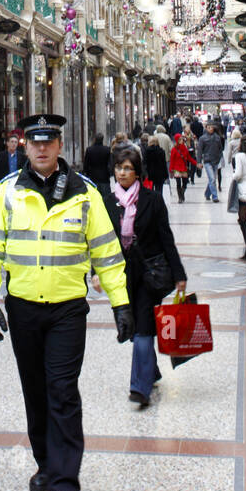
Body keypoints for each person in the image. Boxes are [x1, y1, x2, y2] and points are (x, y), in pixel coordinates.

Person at [0, 114, 133, 491]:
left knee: (62, 391)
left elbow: (106, 252)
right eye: (34, 142)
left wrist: (121, 304)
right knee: (35, 391)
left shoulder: (85, 194)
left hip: (66, 309)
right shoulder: (7, 193)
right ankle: (44, 462)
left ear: (60, 146)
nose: (41, 149)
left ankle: (65, 488)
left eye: (49, 142)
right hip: (24, 308)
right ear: (25, 147)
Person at [98, 144, 186, 405]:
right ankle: (152, 369)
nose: (123, 173)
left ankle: (140, 386)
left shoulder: (152, 200)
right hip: (122, 276)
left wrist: (179, 274)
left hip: (149, 272)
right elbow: (99, 240)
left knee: (145, 326)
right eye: (119, 168)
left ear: (138, 172)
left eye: (128, 169)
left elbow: (166, 239)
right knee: (132, 327)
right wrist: (95, 271)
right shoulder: (107, 203)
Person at [197, 123, 225, 203]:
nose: (210, 129)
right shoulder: (202, 138)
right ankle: (215, 196)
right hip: (207, 161)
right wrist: (199, 162)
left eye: (211, 127)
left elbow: (220, 148)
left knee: (212, 179)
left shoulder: (217, 138)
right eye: (208, 127)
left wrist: (220, 157)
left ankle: (207, 193)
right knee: (212, 179)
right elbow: (199, 151)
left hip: (215, 161)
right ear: (206, 128)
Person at [167, 131, 197, 202]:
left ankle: (182, 193)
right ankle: (180, 198)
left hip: (184, 168)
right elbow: (172, 160)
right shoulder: (174, 150)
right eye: (179, 139)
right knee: (178, 183)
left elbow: (189, 158)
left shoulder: (184, 148)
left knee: (185, 183)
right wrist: (171, 170)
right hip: (177, 169)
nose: (181, 141)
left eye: (182, 139)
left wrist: (196, 164)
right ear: (177, 140)